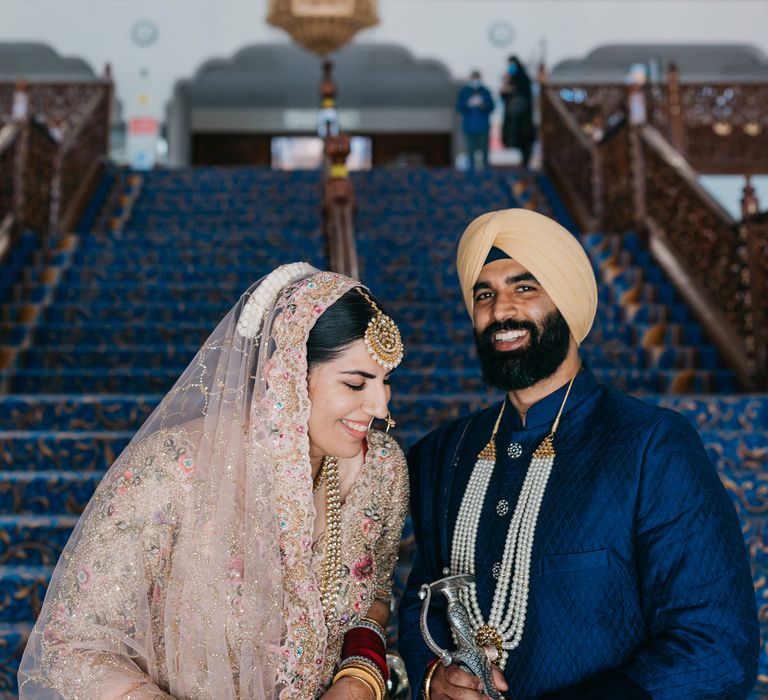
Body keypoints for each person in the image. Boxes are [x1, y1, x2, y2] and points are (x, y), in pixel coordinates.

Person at [398, 210, 759, 699]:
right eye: (485, 294)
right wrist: (431, 678)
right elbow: (423, 601)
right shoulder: (444, 452)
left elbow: (716, 645)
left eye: (525, 288)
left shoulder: (650, 445)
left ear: (566, 300)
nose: (501, 310)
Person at [19, 263, 409, 699]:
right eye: (356, 383)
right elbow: (69, 645)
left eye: (386, 381)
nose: (379, 406)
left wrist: (359, 679)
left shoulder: (382, 469)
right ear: (288, 375)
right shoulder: (173, 469)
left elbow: (374, 596)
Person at [456, 71, 495, 174]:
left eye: (477, 78)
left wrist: (483, 105)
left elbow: (491, 107)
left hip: (483, 126)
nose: (475, 81)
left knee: (484, 150)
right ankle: (471, 171)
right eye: (474, 78)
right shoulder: (464, 91)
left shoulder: (485, 91)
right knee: (471, 150)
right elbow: (459, 107)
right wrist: (468, 104)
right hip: (469, 126)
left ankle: (486, 171)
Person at [500, 56, 535, 169]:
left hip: (523, 118)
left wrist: (512, 89)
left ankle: (525, 162)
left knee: (524, 140)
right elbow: (504, 95)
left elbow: (523, 91)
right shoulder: (510, 78)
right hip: (513, 117)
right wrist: (506, 86)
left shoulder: (523, 78)